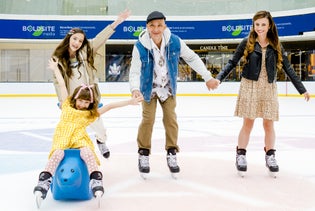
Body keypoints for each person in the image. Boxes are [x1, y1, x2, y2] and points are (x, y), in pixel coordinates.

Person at [216, 11, 310, 176]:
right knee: (248, 123)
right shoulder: (247, 42)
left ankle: (270, 155)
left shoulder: (276, 44)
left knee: (269, 124)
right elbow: (232, 62)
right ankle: (241, 155)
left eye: (263, 24)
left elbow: (288, 68)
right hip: (250, 85)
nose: (259, 28)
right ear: (253, 25)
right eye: (257, 24)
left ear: (269, 26)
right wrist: (219, 78)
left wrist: (302, 89)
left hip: (268, 87)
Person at [34, 59, 143, 201]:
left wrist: (130, 102)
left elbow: (109, 106)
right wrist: (55, 69)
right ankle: (44, 180)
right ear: (75, 98)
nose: (82, 104)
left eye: (86, 102)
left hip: (79, 139)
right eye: (80, 100)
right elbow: (61, 84)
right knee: (57, 154)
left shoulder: (89, 114)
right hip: (62, 139)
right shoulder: (66, 104)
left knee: (87, 153)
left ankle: (96, 179)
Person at [129, 11, 220, 175]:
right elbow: (135, 71)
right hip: (148, 89)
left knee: (170, 118)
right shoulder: (140, 46)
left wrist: (207, 77)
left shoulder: (175, 42)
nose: (156, 29)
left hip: (168, 88)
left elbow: (191, 58)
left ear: (165, 26)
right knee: (148, 119)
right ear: (147, 27)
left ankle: (171, 151)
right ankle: (143, 152)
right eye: (152, 26)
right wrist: (135, 89)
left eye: (159, 25)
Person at [52, 9, 131, 159]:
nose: (77, 43)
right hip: (72, 101)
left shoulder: (86, 52)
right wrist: (63, 102)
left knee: (99, 127)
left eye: (80, 41)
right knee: (71, 128)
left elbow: (100, 38)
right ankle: (69, 155)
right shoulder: (59, 58)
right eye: (75, 39)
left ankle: (101, 141)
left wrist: (117, 22)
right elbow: (57, 81)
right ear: (69, 38)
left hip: (89, 98)